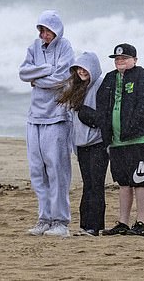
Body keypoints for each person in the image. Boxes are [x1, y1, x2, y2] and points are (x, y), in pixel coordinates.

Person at [19, 10, 75, 237]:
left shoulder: (65, 47)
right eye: (40, 30)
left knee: (57, 171)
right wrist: (45, 71)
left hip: (57, 117)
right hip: (34, 118)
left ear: (56, 29)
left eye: (47, 30)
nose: (43, 35)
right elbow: (23, 72)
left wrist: (37, 79)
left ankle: (60, 222)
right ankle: (44, 218)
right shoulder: (34, 47)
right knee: (37, 171)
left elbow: (62, 78)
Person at [96, 43, 144, 237]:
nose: (120, 61)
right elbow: (102, 106)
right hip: (116, 141)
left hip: (139, 139)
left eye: (124, 58)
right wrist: (107, 133)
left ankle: (141, 223)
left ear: (134, 60)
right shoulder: (109, 78)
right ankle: (122, 222)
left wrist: (131, 128)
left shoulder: (143, 76)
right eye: (117, 59)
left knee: (141, 180)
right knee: (123, 182)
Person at [56, 52, 109, 236]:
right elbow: (71, 119)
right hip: (81, 145)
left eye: (85, 68)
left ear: (93, 68)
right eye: (78, 68)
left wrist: (84, 111)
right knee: (88, 184)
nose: (81, 72)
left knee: (96, 184)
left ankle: (95, 227)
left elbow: (103, 116)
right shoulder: (76, 87)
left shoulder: (101, 85)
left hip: (98, 143)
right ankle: (85, 225)